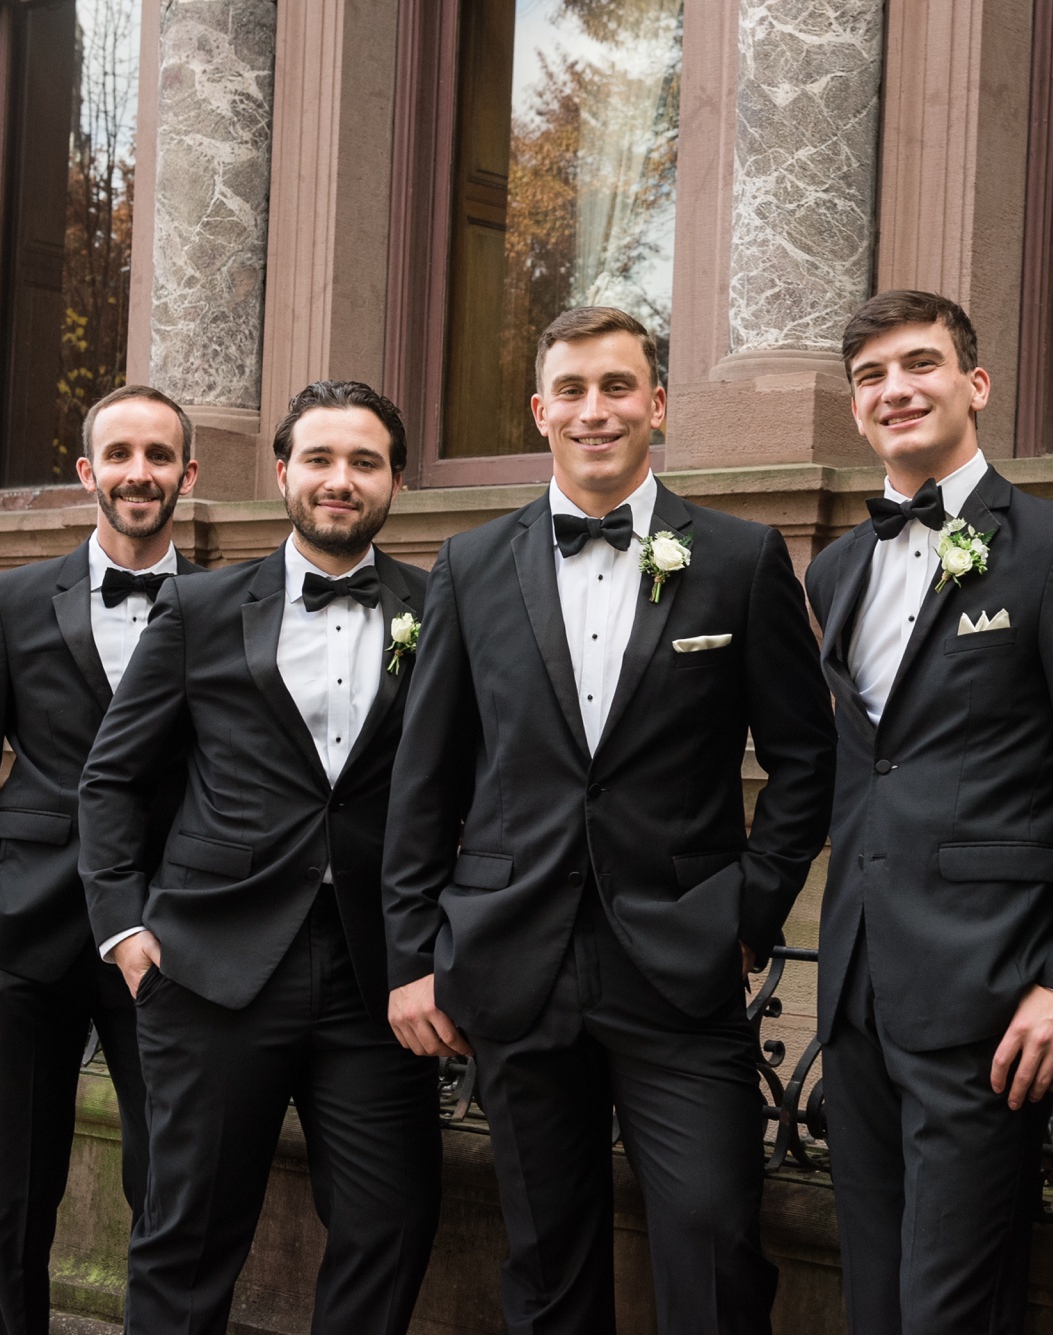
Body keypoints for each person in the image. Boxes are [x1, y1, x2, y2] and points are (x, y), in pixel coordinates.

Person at [381, 306, 835, 1334]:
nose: (597, 411)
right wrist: (412, 957)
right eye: (574, 392)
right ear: (542, 412)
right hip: (512, 962)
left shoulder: (738, 557)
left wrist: (749, 916)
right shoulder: (469, 565)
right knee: (546, 1258)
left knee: (717, 1242)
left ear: (657, 405)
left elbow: (807, 760)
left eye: (619, 387)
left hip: (680, 965)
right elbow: (425, 783)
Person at [802, 290, 1053, 1332]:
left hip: (990, 992)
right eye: (869, 376)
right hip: (858, 987)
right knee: (873, 1292)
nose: (893, 390)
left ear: (974, 384)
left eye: (918, 364)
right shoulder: (836, 567)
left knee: (953, 1305)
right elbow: (862, 768)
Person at [78, 381, 440, 1335]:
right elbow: (111, 779)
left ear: (396, 480)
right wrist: (124, 930)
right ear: (282, 473)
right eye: (318, 459)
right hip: (209, 967)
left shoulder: (440, 607)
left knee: (390, 1221)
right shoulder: (198, 606)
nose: (339, 481)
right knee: (187, 1232)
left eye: (364, 462)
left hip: (381, 973)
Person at [0, 384, 202, 1335]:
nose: (139, 472)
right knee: (16, 1185)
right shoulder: (4, 601)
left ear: (187, 474)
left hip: (163, 938)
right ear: (88, 472)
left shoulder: (229, 603)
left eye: (159, 455)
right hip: (24, 927)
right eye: (119, 454)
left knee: (168, 1177)